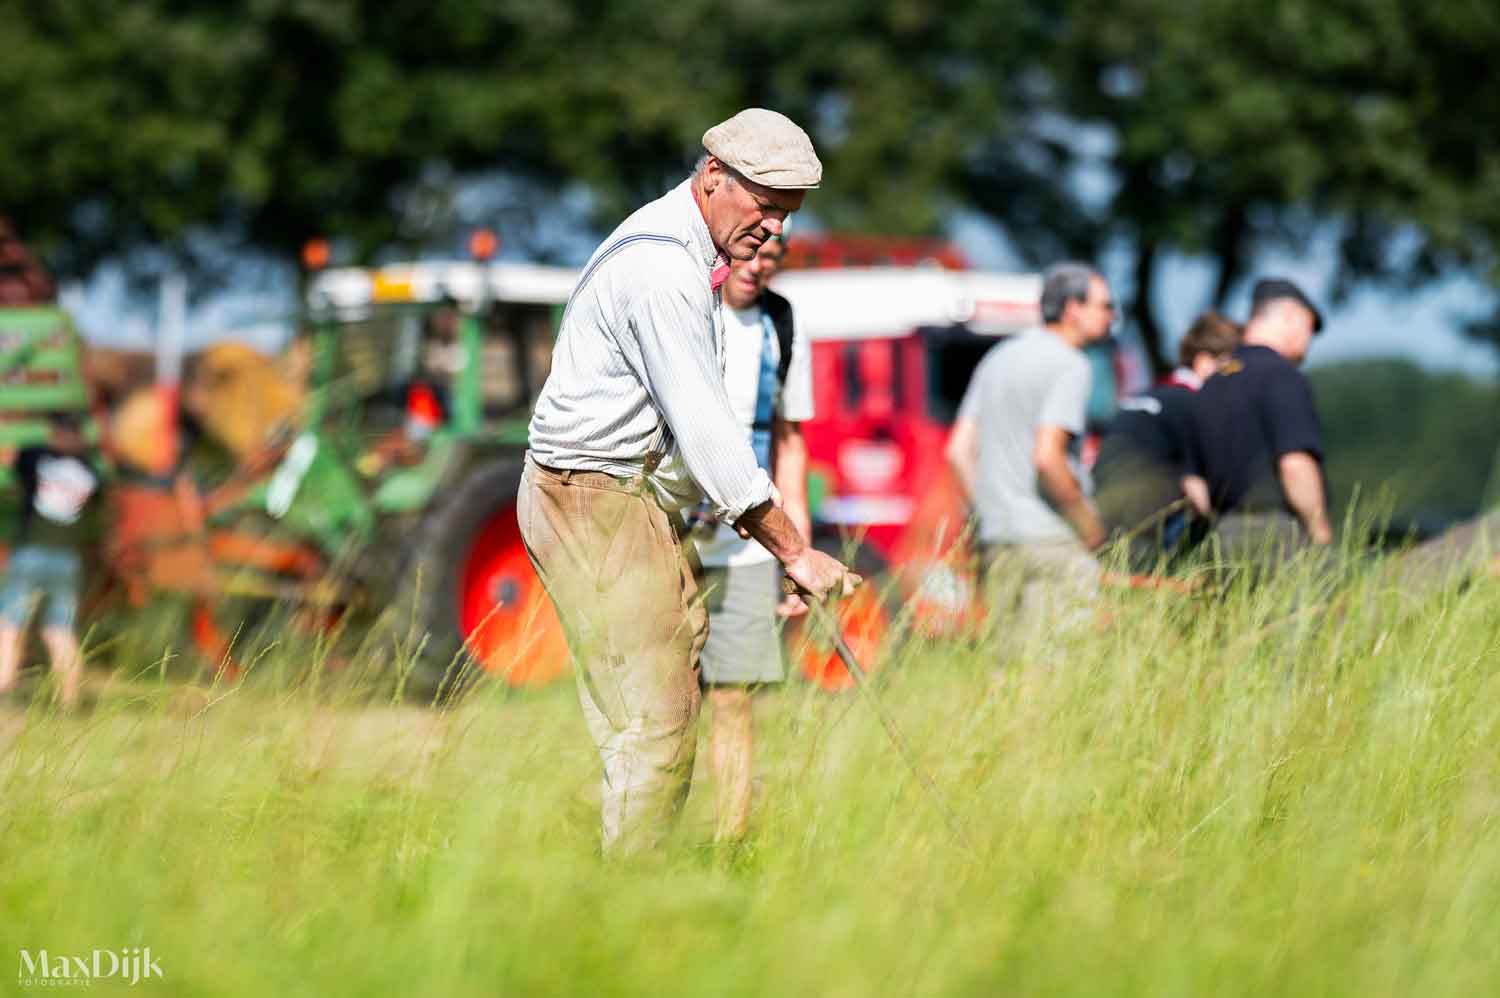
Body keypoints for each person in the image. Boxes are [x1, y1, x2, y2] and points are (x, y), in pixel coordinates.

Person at [520, 109, 855, 853]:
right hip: (592, 494)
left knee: (663, 690)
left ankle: (619, 874)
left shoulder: (681, 251)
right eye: (766, 209)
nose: (773, 231)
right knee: (657, 718)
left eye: (786, 218)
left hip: (622, 495)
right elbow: (708, 429)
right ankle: (629, 899)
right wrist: (794, 553)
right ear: (713, 177)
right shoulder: (663, 269)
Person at [690, 234, 812, 842]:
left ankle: (728, 841)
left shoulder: (782, 326)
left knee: (733, 695)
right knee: (667, 699)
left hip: (746, 546)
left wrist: (800, 555)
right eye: (751, 252)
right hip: (674, 537)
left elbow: (790, 442)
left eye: (773, 259)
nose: (758, 266)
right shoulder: (689, 308)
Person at [945, 262, 1114, 641]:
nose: (1112, 316)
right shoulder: (1071, 363)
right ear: (1073, 309)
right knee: (1060, 667)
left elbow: (957, 450)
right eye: (1105, 305)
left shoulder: (997, 358)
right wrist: (1088, 527)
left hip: (997, 538)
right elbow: (1048, 457)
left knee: (1008, 667)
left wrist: (990, 508)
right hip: (1049, 538)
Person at [1183, 278, 1331, 569]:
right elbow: (1295, 464)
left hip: (1220, 541)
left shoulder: (1211, 384)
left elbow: (1194, 486)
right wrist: (1320, 533)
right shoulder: (1281, 376)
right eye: (1309, 328)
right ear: (1290, 314)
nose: (1309, 340)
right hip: (1278, 539)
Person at [1092, 311, 1241, 570]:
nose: (1238, 379)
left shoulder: (1153, 394)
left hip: (1100, 522)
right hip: (1145, 534)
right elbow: (1196, 489)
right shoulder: (1196, 405)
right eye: (1231, 367)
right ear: (1205, 362)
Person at [0, 413, 101, 709]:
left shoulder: (35, 457)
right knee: (59, 630)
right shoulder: (90, 471)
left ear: (54, 434)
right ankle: (70, 699)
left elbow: (11, 462)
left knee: (9, 626)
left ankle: (4, 687)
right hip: (68, 559)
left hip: (30, 554)